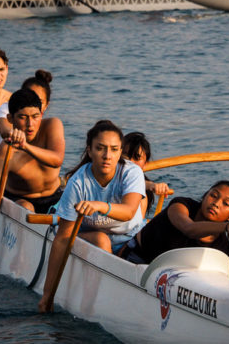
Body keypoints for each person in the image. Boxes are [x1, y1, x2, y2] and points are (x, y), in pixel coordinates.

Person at [38, 120, 145, 312]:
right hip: (92, 236)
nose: (107, 156)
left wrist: (100, 205)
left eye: (114, 149)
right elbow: (63, 239)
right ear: (89, 151)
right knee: (102, 239)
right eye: (100, 148)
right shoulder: (78, 183)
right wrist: (47, 295)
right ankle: (100, 299)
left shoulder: (132, 172)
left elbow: (128, 211)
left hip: (129, 239)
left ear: (121, 152)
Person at [0, 88, 65, 273]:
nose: (30, 124)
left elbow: (57, 159)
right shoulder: (5, 151)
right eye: (23, 117)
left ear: (42, 114)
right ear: (10, 119)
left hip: (55, 198)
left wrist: (25, 146)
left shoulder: (52, 125)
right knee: (26, 207)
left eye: (35, 116)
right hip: (21, 200)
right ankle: (21, 258)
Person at [119, 180, 229, 274]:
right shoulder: (182, 206)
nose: (216, 204)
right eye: (213, 195)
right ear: (205, 196)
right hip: (136, 260)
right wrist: (227, 227)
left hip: (166, 277)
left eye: (226, 204)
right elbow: (189, 229)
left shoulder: (221, 247)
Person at [0, 69, 54, 174]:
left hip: (14, 173)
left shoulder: (45, 124)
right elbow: (4, 130)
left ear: (46, 105)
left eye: (38, 101)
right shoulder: (7, 108)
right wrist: (15, 135)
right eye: (27, 96)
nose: (31, 103)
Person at [122, 132, 170, 218]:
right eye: (126, 156)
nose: (130, 162)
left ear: (145, 164)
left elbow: (134, 183)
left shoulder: (145, 191)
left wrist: (153, 185)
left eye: (137, 158)